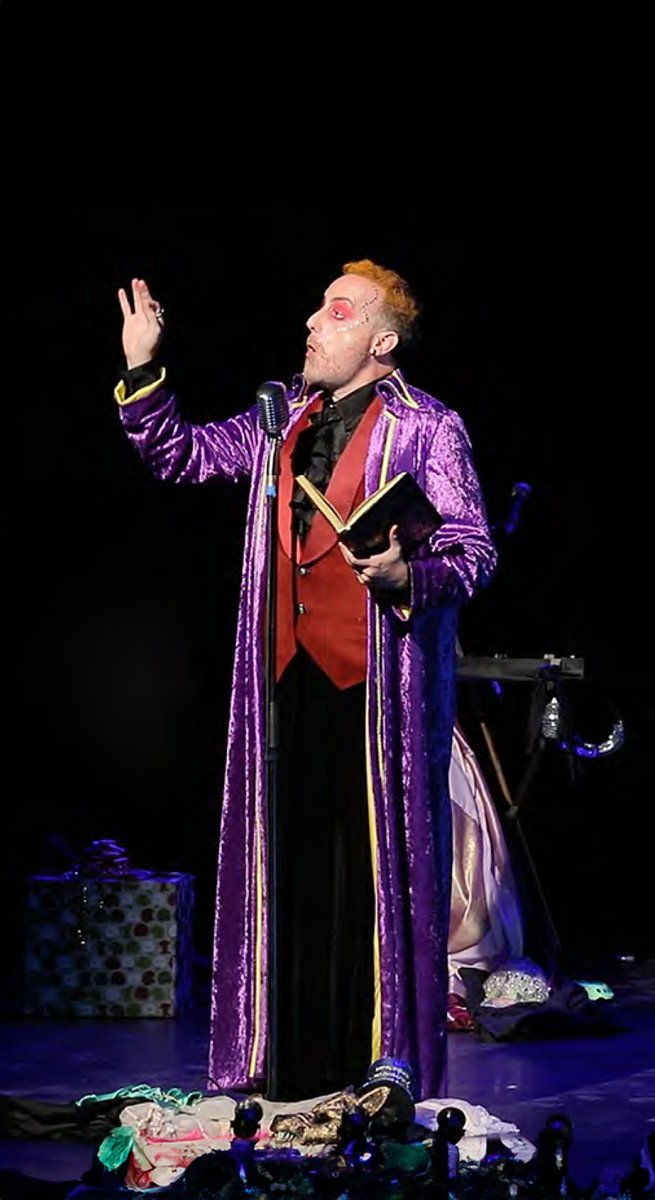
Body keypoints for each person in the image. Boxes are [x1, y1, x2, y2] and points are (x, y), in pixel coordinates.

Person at [114, 262, 497, 1100]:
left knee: (367, 888)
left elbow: (473, 550)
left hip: (373, 694)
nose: (314, 324)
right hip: (284, 688)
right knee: (288, 883)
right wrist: (143, 368)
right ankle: (287, 1069)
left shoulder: (428, 427)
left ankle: (378, 1067)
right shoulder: (280, 419)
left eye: (339, 312)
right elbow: (181, 456)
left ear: (382, 342)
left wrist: (409, 574)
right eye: (319, 309)